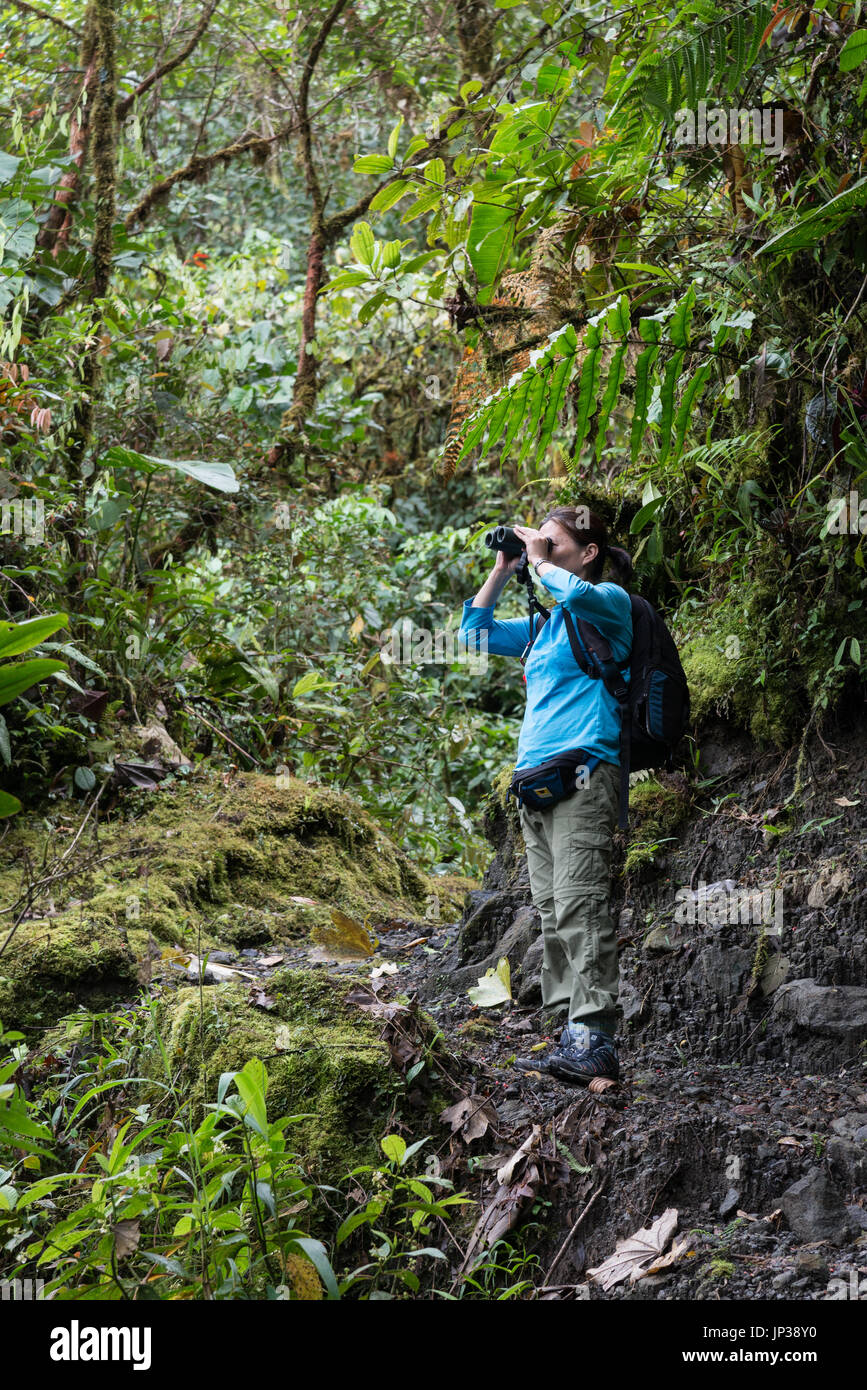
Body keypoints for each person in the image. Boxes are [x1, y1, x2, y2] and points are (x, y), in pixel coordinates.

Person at [458, 507, 633, 1084]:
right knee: (552, 910)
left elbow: (576, 594)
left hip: (586, 772)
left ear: (586, 554)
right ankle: (569, 1029)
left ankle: (596, 1034)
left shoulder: (609, 605)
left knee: (581, 900)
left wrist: (540, 561)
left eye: (556, 543)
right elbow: (474, 635)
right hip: (535, 783)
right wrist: (507, 568)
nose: (544, 550)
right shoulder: (544, 627)